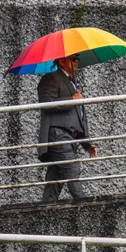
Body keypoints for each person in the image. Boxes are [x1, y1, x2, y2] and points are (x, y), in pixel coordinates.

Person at [36, 55, 98, 202]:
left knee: (56, 178)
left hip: (70, 137)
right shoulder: (50, 78)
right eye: (74, 58)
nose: (77, 61)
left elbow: (78, 116)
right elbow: (46, 104)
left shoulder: (72, 83)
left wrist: (86, 143)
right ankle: (86, 206)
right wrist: (72, 100)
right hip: (57, 134)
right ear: (62, 61)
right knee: (71, 169)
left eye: (78, 58)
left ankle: (45, 211)